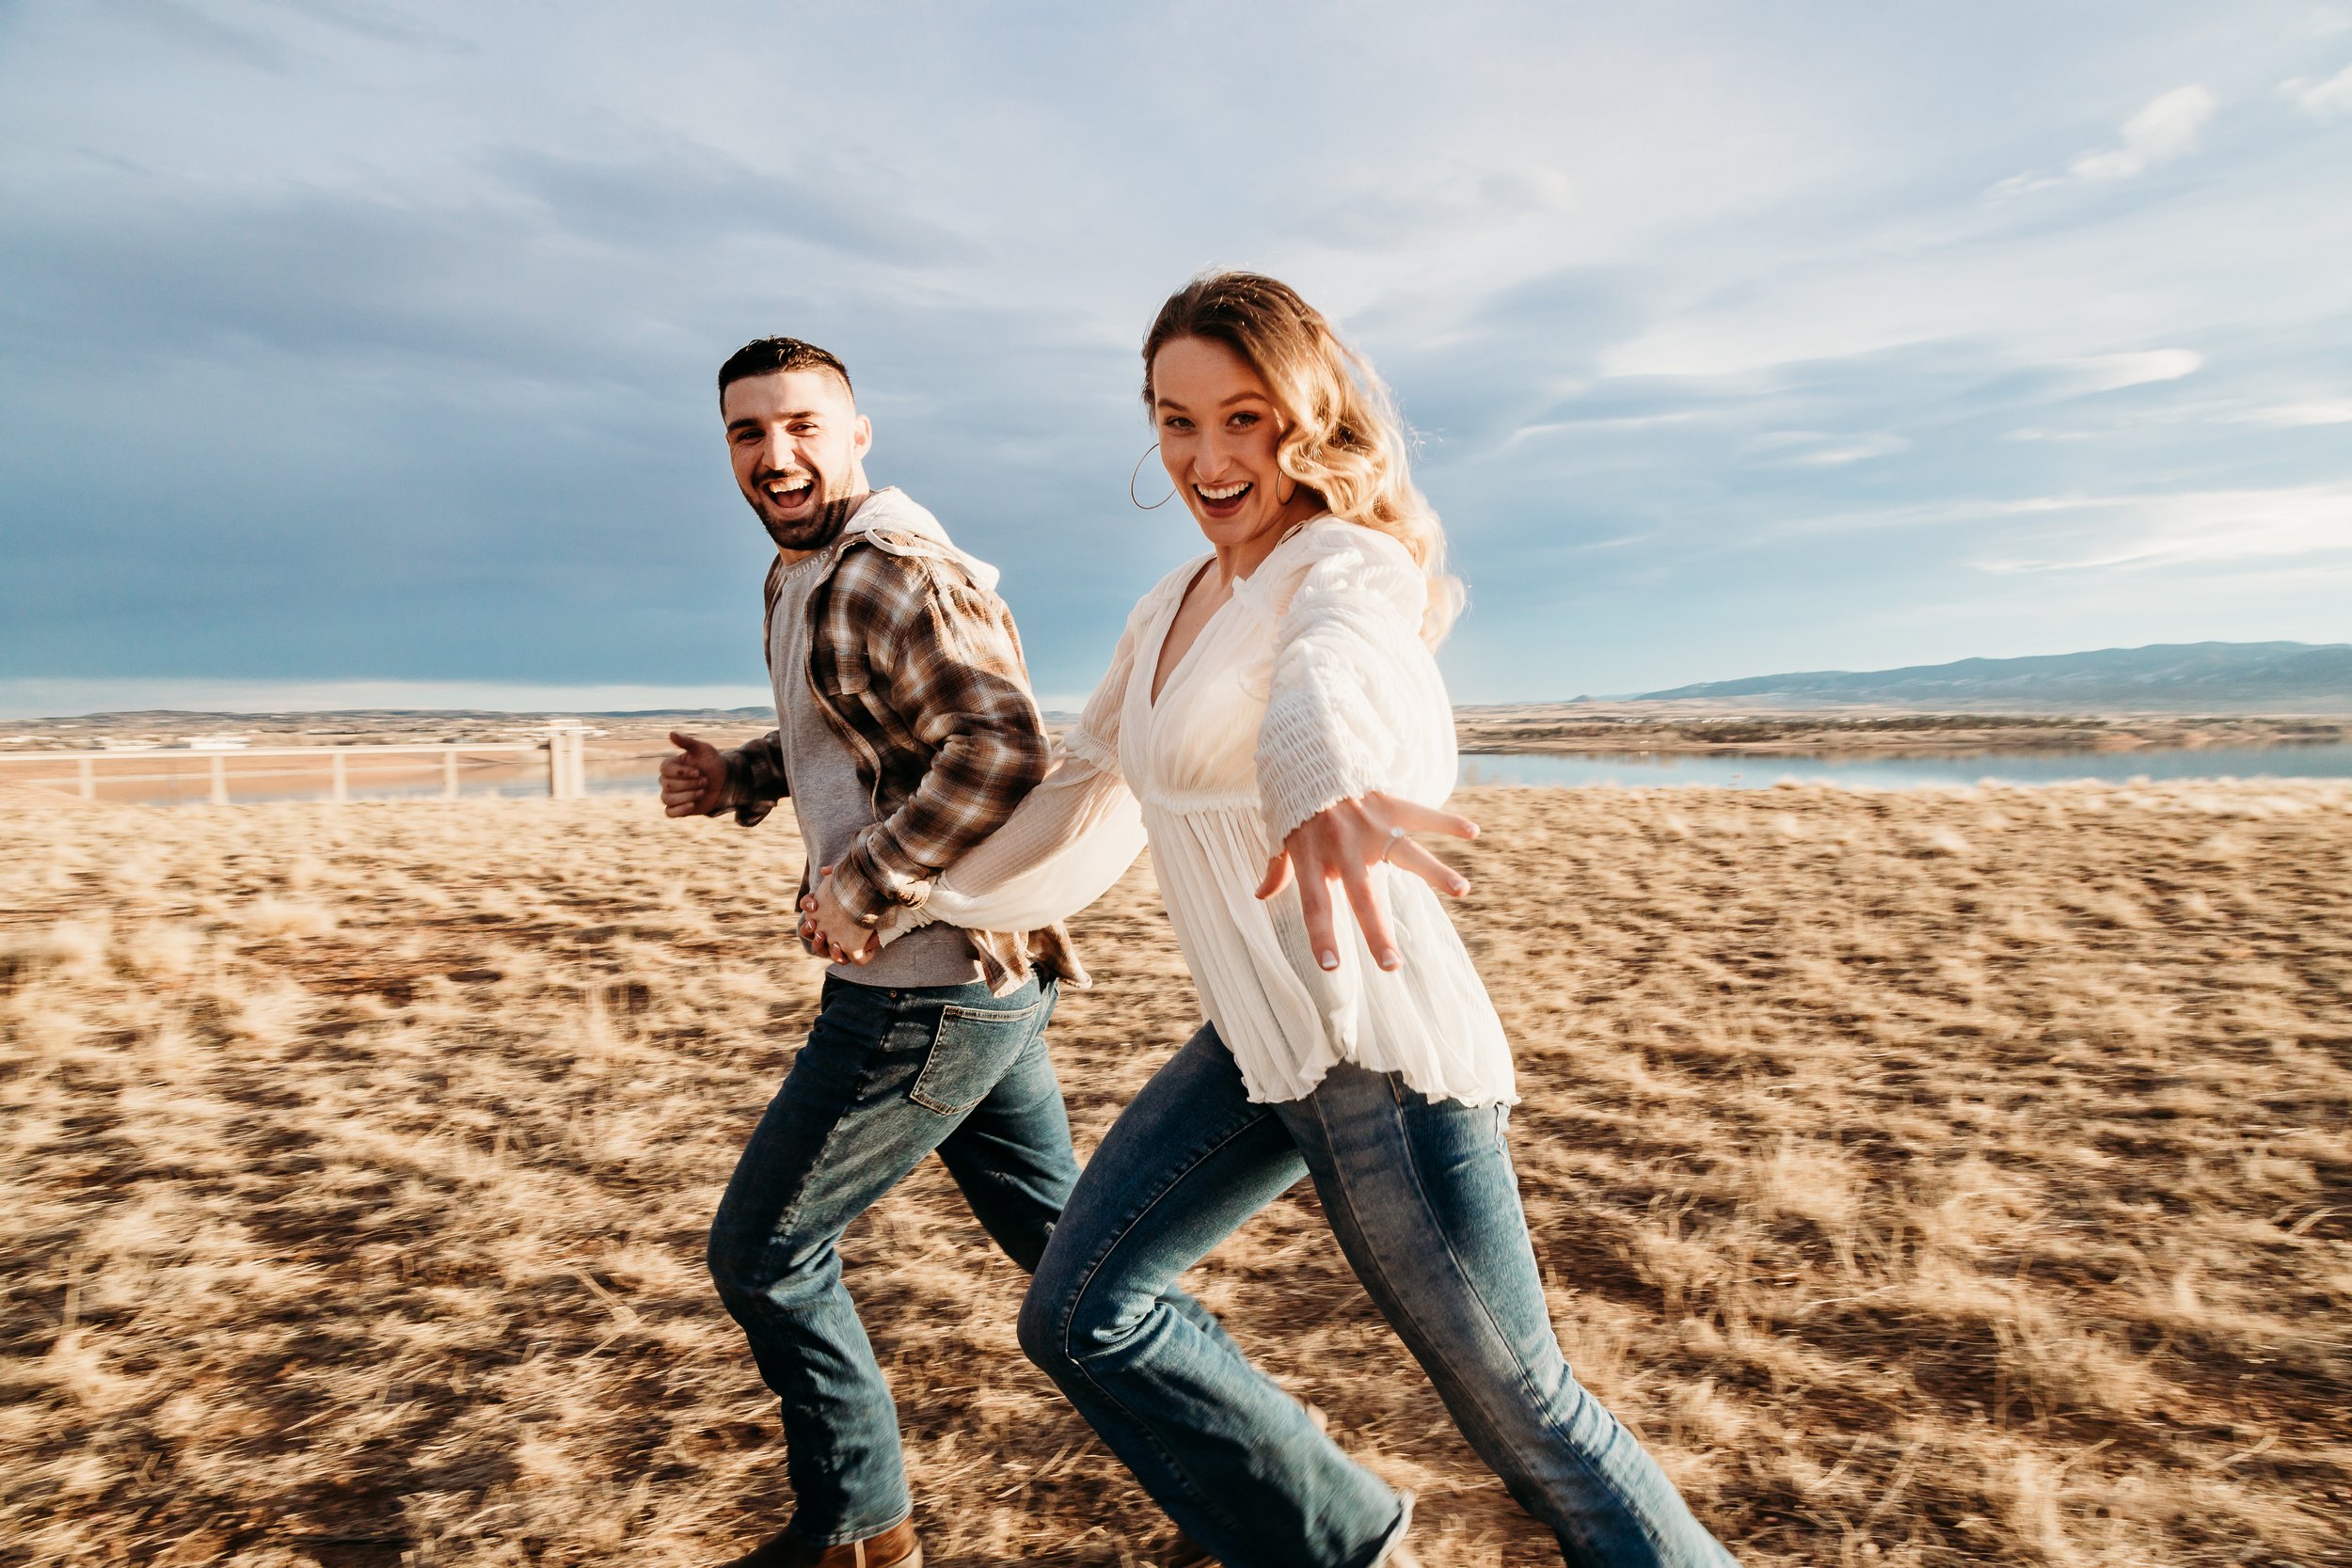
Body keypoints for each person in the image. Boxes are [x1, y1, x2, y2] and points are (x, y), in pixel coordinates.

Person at [846, 275, 1742, 1567]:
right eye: (1174, 421)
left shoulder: (1345, 564)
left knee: (1527, 1416)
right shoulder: (1169, 606)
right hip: (1261, 1050)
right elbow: (1086, 782)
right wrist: (916, 893)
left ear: (1306, 420)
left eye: (1245, 419)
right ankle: (1339, 1544)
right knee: (1081, 1313)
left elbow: (1331, 681)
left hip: (1380, 1047)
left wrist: (1324, 785)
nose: (1208, 457)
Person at [661, 335, 1093, 1568]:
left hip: (922, 988)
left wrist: (864, 882)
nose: (774, 453)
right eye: (748, 433)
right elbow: (867, 732)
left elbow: (1001, 747)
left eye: (802, 425)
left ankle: (860, 1536)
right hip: (981, 983)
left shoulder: (887, 571)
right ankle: (1285, 1503)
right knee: (1087, 1272)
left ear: (859, 434)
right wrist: (741, 775)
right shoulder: (801, 573)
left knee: (767, 1252)